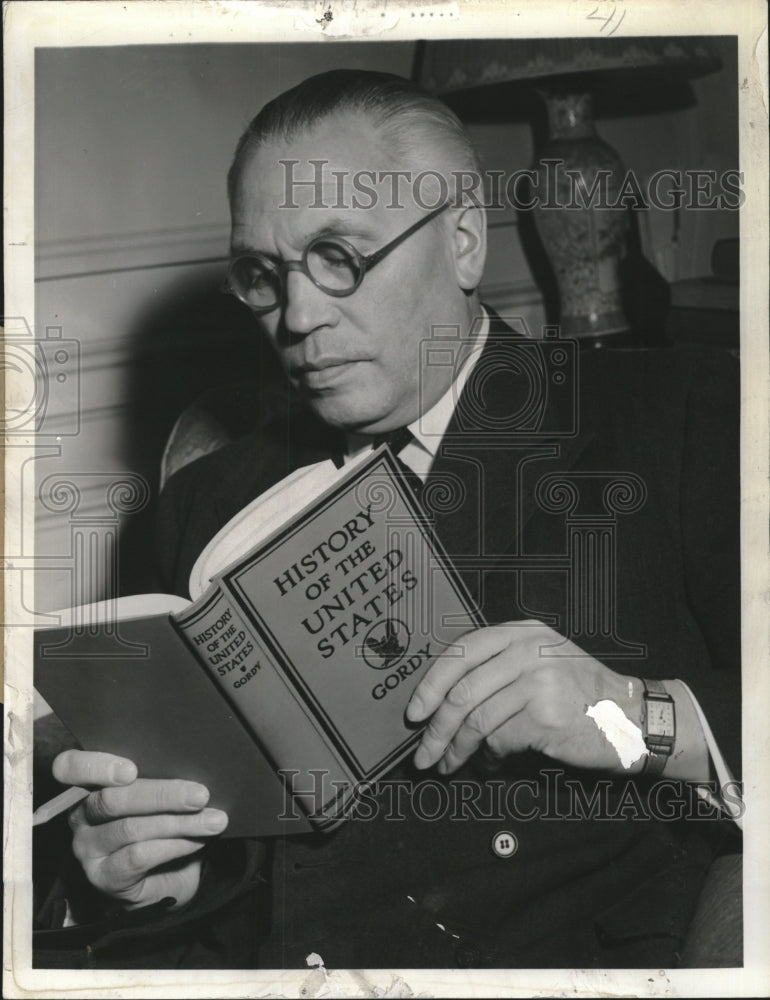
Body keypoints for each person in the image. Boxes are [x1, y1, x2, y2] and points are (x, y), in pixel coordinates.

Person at [34, 69, 741, 970]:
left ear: (464, 242)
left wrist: (631, 716)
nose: (296, 317)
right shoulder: (205, 505)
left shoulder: (675, 416)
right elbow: (223, 864)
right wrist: (130, 878)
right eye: (264, 275)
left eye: (342, 258)